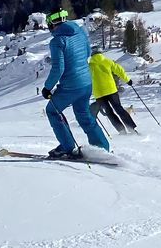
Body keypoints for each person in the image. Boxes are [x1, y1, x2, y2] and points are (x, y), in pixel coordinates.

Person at [41, 9, 111, 159]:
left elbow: (58, 68)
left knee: (52, 111)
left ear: (51, 24)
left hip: (70, 87)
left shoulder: (57, 41)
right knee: (84, 114)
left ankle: (67, 147)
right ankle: (101, 148)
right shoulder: (80, 31)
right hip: (86, 83)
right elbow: (86, 53)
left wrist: (47, 87)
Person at [88, 46, 138, 133]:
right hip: (111, 90)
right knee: (119, 109)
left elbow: (84, 78)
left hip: (99, 93)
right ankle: (131, 128)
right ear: (101, 52)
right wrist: (127, 80)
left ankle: (121, 130)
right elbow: (119, 70)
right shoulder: (107, 61)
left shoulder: (90, 66)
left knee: (109, 112)